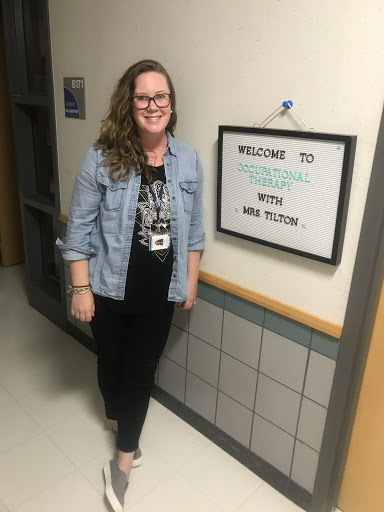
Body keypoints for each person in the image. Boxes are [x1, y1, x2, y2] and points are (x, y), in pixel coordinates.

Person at [57, 59, 204, 512]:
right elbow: (79, 232)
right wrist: (80, 291)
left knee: (140, 374)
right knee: (110, 366)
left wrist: (190, 281)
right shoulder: (102, 157)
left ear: (171, 104)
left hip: (159, 295)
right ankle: (122, 421)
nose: (153, 105)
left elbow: (194, 231)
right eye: (143, 97)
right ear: (130, 102)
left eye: (161, 96)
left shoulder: (187, 160)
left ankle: (121, 463)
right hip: (108, 290)